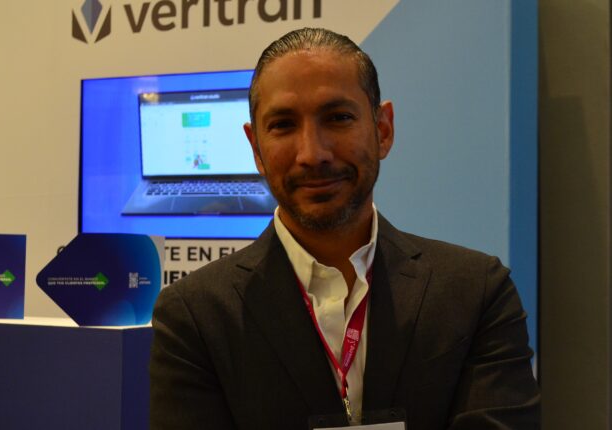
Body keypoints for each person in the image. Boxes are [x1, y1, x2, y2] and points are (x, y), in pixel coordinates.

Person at [149, 28, 540, 429]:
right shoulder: (196, 316)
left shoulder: (476, 292)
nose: (312, 153)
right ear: (256, 149)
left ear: (383, 129)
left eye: (338, 118)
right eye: (283, 125)